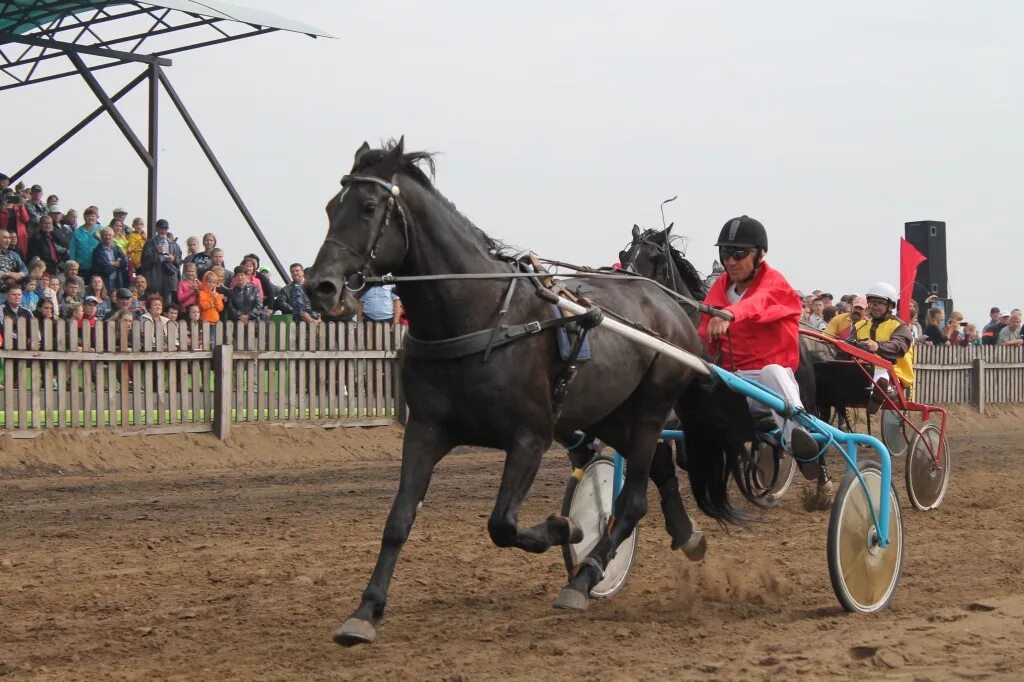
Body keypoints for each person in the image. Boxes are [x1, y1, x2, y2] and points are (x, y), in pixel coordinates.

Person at [698, 215, 819, 460]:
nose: (730, 261)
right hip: (732, 384)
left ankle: (799, 436)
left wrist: (729, 314)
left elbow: (758, 303)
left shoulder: (775, 282)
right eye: (725, 253)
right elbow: (703, 335)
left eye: (739, 254)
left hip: (769, 387)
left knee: (772, 371)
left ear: (760, 254)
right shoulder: (720, 286)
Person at [851, 282, 915, 413]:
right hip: (863, 372)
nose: (874, 306)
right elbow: (846, 346)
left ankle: (884, 391)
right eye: (872, 302)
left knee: (881, 373)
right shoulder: (859, 326)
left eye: (879, 303)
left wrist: (877, 346)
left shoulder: (900, 327)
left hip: (894, 376)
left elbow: (898, 347)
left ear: (890, 306)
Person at [140, 218, 181, 303]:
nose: (163, 231)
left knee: (167, 306)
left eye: (165, 228)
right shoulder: (150, 243)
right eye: (161, 228)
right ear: (157, 229)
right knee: (152, 304)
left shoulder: (174, 245)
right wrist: (156, 253)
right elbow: (145, 262)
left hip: (169, 280)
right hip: (154, 280)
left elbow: (180, 261)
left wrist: (173, 259)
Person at [92, 227, 130, 293]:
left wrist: (110, 263)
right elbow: (103, 267)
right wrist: (117, 263)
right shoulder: (97, 251)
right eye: (105, 235)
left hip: (118, 280)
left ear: (112, 236)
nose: (107, 237)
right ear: (101, 236)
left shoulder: (117, 248)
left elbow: (125, 263)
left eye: (109, 235)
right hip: (105, 281)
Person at [69, 206, 101, 278]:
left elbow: (108, 244)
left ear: (96, 217)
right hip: (81, 267)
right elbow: (72, 249)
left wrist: (99, 238)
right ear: (84, 217)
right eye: (88, 216)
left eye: (93, 216)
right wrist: (73, 264)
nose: (90, 218)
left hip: (97, 266)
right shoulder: (77, 231)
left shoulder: (101, 229)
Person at [1, 189, 30, 258]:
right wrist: (2, 207)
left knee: (20, 253)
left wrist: (22, 206)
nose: (10, 197)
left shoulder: (18, 206)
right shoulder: (1, 208)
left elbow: (26, 219)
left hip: (19, 235)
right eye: (7, 196)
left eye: (11, 195)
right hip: (5, 234)